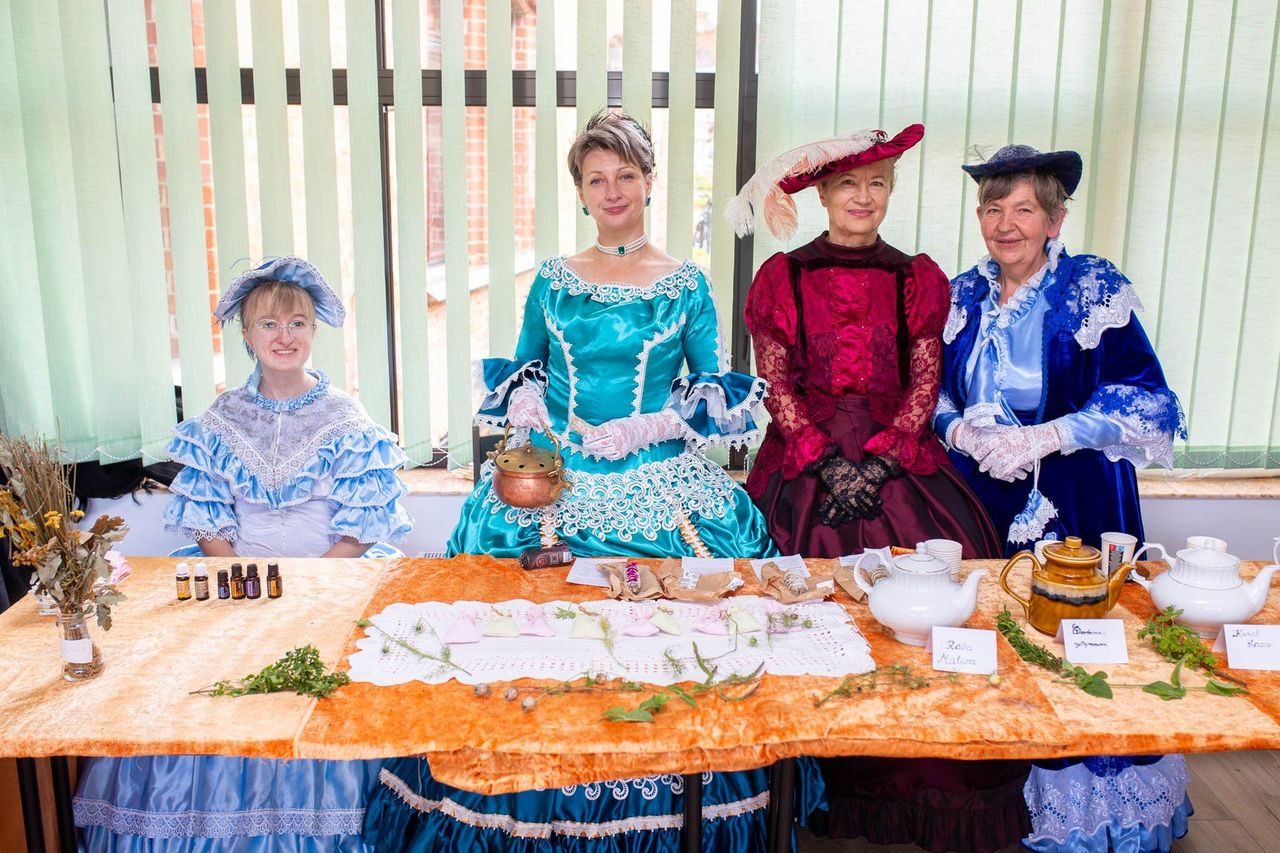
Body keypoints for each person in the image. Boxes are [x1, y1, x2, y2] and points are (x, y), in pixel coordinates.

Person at [365, 110, 821, 851]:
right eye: (596, 179)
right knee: (525, 647)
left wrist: (654, 425)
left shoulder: (683, 283)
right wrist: (529, 408)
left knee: (668, 650)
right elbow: (528, 367)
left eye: (626, 176)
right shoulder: (553, 279)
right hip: (558, 480)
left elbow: (709, 391)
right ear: (581, 191)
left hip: (659, 483)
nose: (613, 191)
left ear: (648, 181)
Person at [726, 127, 1024, 853]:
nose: (864, 198)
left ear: (890, 192)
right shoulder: (782, 275)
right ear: (823, 194)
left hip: (901, 461)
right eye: (849, 186)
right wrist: (824, 463)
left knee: (929, 618)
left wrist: (883, 460)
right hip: (806, 458)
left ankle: (918, 787)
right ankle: (812, 787)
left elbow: (925, 382)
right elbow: (776, 380)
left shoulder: (917, 275)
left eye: (878, 184)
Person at [74, 257, 413, 851]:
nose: (285, 336)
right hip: (238, 586)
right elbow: (209, 518)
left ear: (314, 332)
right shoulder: (220, 418)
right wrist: (245, 584)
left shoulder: (348, 418)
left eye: (299, 323)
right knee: (201, 686)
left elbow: (361, 525)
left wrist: (306, 591)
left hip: (329, 588)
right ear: (246, 334)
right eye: (269, 324)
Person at [934, 144, 1190, 851]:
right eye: (993, 208)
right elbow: (933, 394)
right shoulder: (961, 294)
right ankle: (997, 802)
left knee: (1075, 645)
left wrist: (1049, 435)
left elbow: (1147, 399)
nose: (1005, 223)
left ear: (1055, 217)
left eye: (1023, 208)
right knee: (995, 642)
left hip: (1076, 501)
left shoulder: (1090, 287)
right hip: (982, 501)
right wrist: (958, 427)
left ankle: (1091, 815)